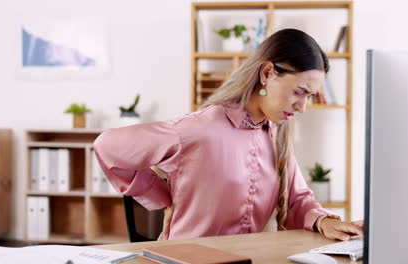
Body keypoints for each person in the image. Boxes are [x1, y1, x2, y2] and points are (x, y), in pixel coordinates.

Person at [93, 28, 364, 241]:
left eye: (310, 97)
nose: (303, 107)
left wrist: (326, 222)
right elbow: (108, 146)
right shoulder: (198, 129)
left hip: (247, 258)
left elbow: (297, 200)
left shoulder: (276, 134)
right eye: (299, 92)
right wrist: (161, 195)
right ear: (268, 73)